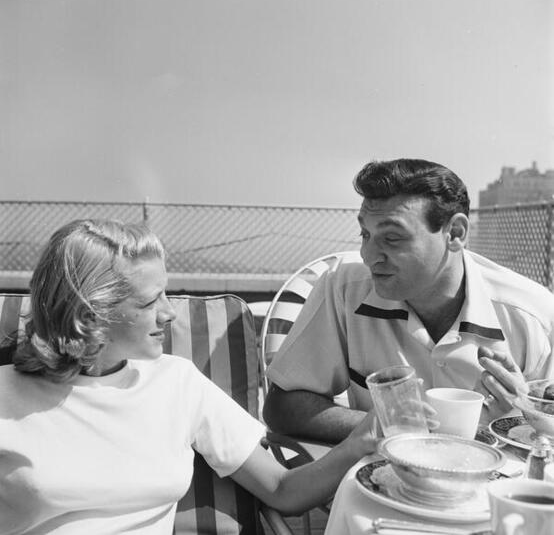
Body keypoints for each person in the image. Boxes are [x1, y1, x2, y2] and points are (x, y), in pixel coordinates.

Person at [0, 219, 379, 534]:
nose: (169, 313)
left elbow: (282, 490)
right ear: (89, 315)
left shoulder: (177, 383)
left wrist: (358, 444)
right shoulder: (6, 396)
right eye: (150, 301)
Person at [263, 158, 554, 443]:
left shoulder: (535, 316)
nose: (368, 256)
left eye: (392, 238)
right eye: (365, 234)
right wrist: (394, 428)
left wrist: (522, 413)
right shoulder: (343, 288)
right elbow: (282, 407)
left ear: (455, 233)